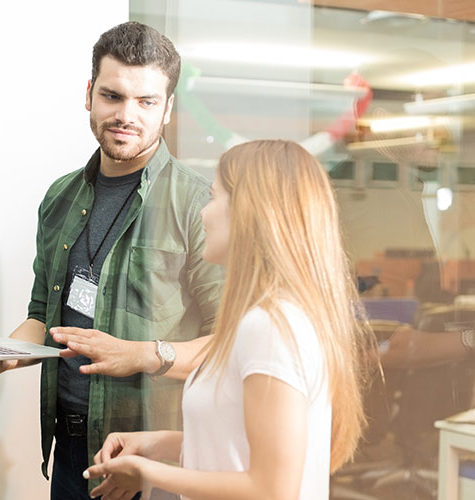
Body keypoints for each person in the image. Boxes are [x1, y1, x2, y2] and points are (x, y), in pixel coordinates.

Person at [0, 21, 223, 500]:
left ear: (168, 109)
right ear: (89, 93)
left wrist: (143, 355)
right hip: (69, 451)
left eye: (147, 101)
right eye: (112, 96)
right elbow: (39, 318)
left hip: (153, 458)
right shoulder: (60, 198)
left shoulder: (199, 206)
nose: (126, 114)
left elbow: (228, 344)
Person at [73, 140, 374, 500]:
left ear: (249, 211)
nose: (203, 213)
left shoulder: (269, 327)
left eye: (215, 198)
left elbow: (271, 489)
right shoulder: (272, 318)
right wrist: (161, 445)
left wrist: (151, 474)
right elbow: (241, 447)